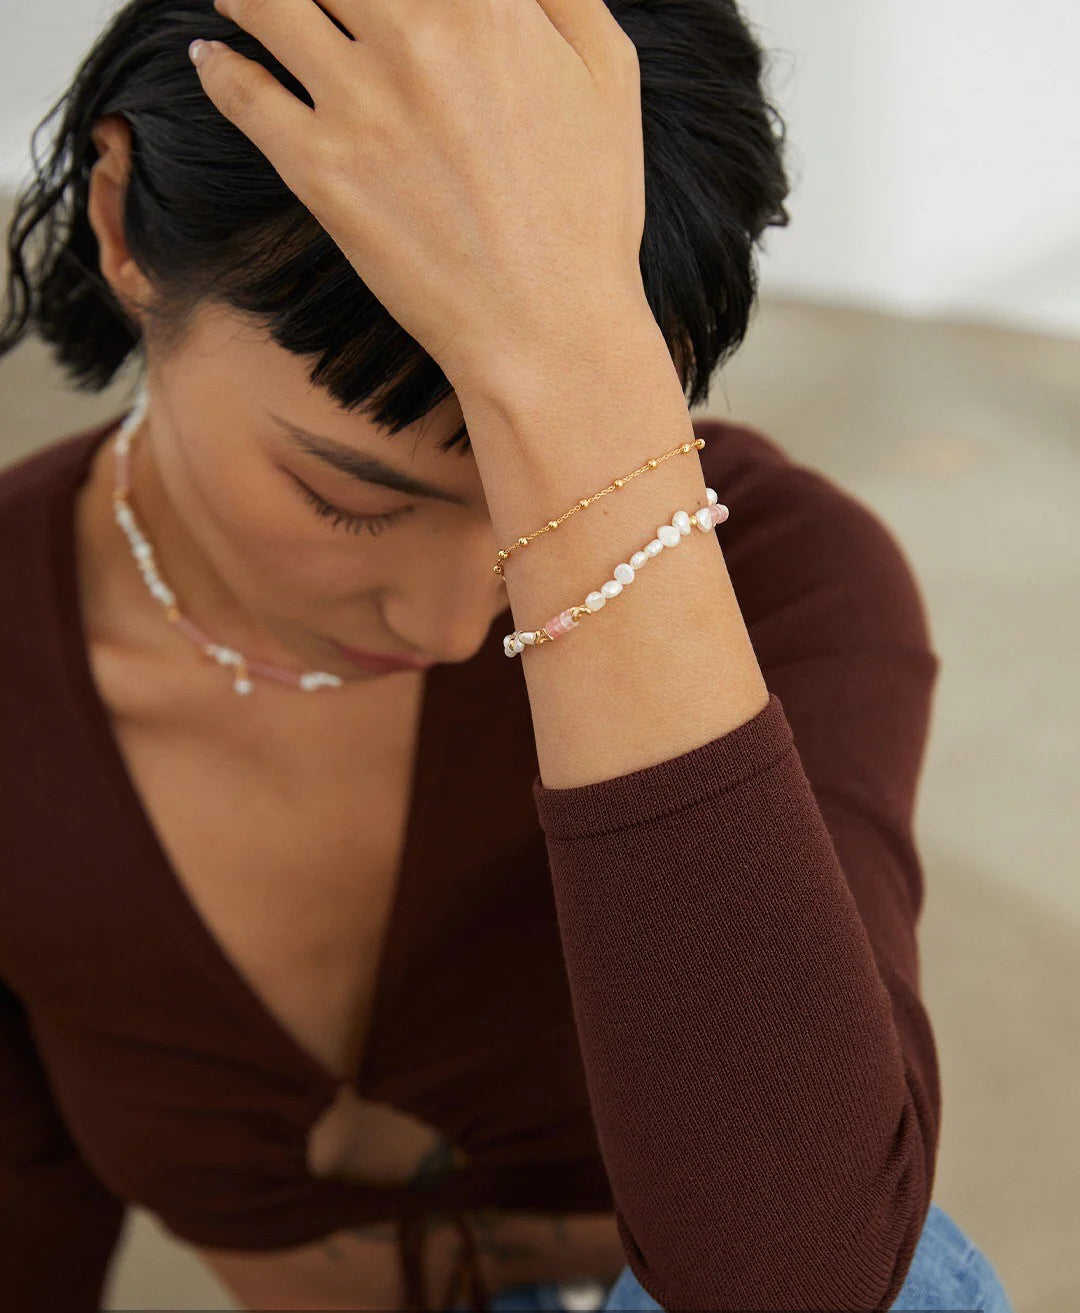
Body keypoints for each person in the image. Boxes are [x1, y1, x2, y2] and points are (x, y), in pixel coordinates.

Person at [0, 1, 1015, 1310]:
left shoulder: (784, 582)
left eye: (533, 510)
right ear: (121, 218)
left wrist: (567, 374)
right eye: (351, 497)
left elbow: (806, 1278)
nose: (451, 627)